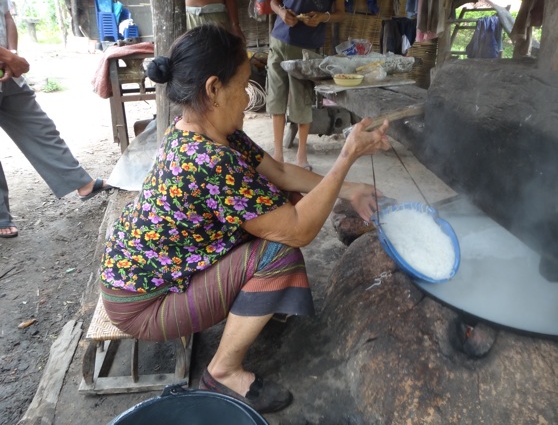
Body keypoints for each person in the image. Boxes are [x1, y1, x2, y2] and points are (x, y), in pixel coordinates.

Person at [99, 24, 389, 413]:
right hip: (143, 306)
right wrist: (346, 155)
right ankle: (223, 371)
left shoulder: (207, 130)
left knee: (278, 200)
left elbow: (282, 173)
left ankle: (254, 309)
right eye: (244, 84)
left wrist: (349, 187)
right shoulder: (206, 160)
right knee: (280, 253)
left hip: (141, 276)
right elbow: (300, 231)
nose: (249, 95)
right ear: (214, 88)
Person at [0, 0, 111, 239]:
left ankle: (81, 183)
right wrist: (9, 58)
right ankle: (1, 217)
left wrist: (13, 56)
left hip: (8, 70)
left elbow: (7, 18)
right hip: (6, 62)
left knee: (39, 126)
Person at [267, 0, 346, 171]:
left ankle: (302, 155)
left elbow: (340, 13)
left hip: (306, 48)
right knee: (276, 97)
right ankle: (278, 154)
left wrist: (323, 17)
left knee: (302, 99)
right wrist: (282, 13)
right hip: (279, 41)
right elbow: (274, 1)